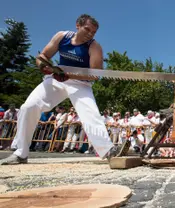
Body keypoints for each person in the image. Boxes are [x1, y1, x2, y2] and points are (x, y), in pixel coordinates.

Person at [0, 14, 126, 165]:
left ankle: (108, 151)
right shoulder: (62, 36)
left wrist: (69, 74)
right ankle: (20, 153)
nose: (90, 34)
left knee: (90, 114)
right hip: (57, 79)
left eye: (93, 32)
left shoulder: (94, 46)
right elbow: (43, 56)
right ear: (77, 25)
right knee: (28, 107)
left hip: (81, 84)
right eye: (87, 29)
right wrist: (43, 66)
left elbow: (95, 74)